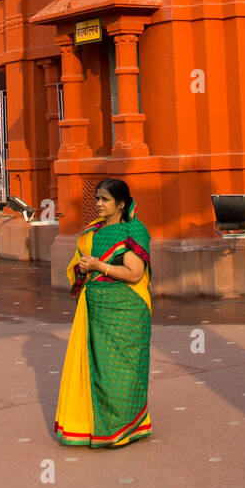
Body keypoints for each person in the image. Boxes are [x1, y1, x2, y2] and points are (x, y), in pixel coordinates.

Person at [53, 178, 153, 447]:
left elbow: (134, 274)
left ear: (121, 204)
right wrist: (85, 267)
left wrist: (98, 265)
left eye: (104, 199)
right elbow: (77, 267)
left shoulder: (132, 231)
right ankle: (90, 426)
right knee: (95, 367)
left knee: (122, 369)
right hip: (94, 308)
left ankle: (122, 428)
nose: (98, 204)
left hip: (126, 311)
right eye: (97, 198)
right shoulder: (92, 231)